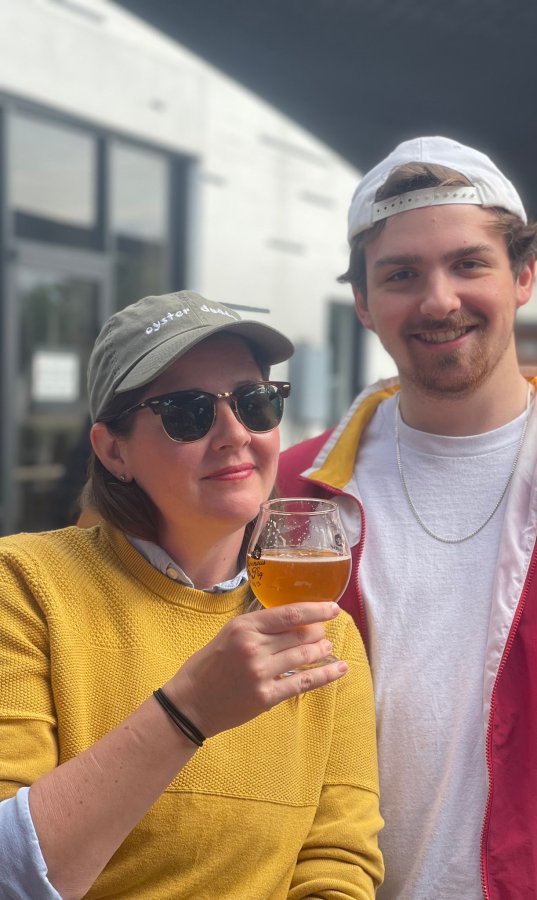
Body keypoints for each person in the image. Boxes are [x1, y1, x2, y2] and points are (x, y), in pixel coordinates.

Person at [277, 136, 537, 899]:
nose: (437, 300)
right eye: (400, 274)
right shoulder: (297, 492)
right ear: (362, 303)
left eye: (468, 264)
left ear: (522, 276)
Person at [0, 290, 384, 899]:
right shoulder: (23, 583)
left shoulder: (324, 633)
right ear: (113, 450)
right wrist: (188, 712)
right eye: (188, 412)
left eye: (255, 404)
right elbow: (9, 873)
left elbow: (336, 863)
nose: (235, 434)